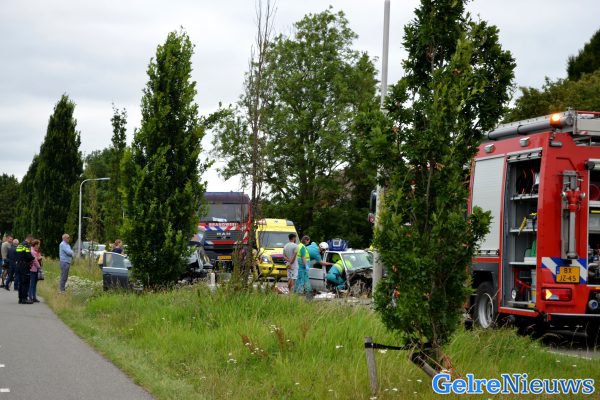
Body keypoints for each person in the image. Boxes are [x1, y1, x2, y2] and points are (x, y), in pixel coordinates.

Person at [16, 235, 34, 304]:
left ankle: (20, 298)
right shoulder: (26, 245)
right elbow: (28, 255)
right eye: (31, 240)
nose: (31, 242)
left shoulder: (19, 245)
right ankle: (24, 298)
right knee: (25, 282)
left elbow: (16, 254)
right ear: (29, 239)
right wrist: (33, 258)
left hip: (19, 265)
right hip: (25, 265)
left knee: (21, 282)